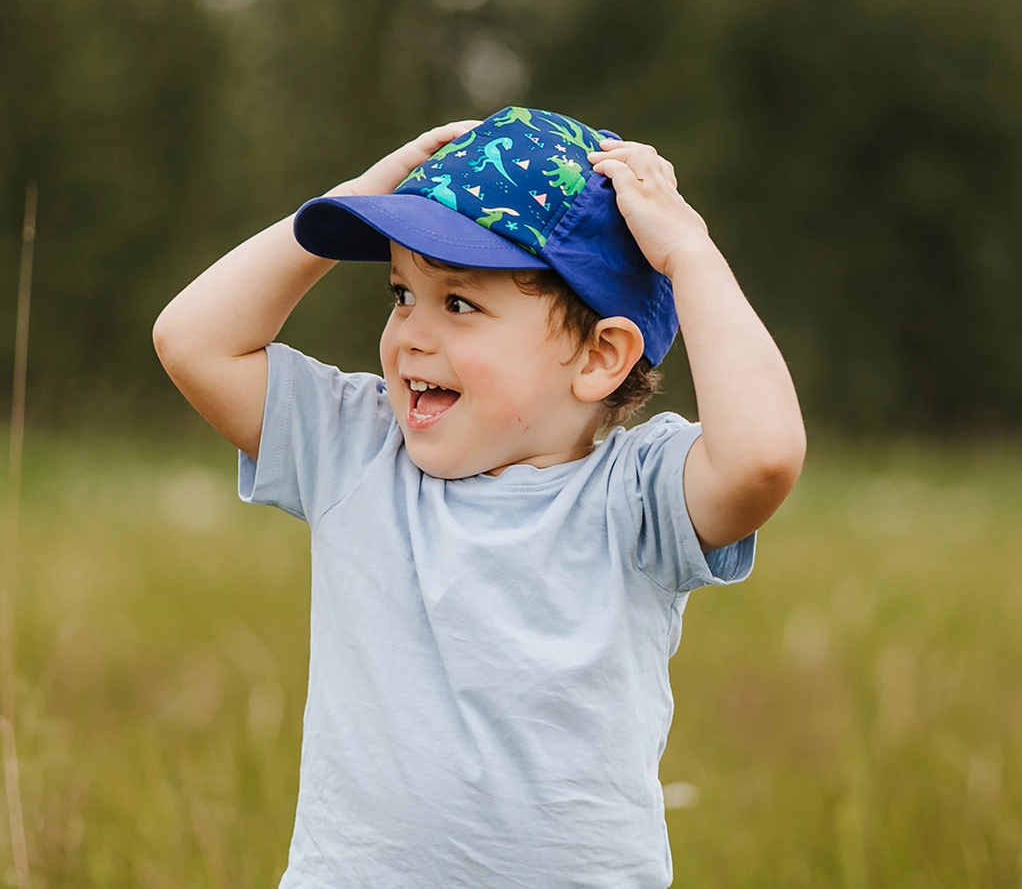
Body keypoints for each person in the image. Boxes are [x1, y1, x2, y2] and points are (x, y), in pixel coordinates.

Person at [153, 106, 806, 888]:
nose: (409, 337)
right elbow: (191, 339)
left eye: (458, 304)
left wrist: (690, 258)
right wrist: (359, 194)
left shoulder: (635, 497)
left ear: (600, 355)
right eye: (400, 293)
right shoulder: (358, 449)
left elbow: (764, 456)